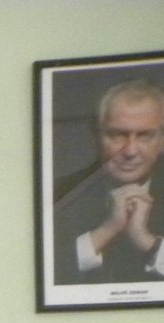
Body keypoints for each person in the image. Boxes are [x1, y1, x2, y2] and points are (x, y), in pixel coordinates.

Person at [54, 77, 164, 285]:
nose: (130, 151)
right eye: (118, 135)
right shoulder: (59, 193)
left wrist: (146, 241)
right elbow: (42, 272)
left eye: (144, 136)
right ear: (96, 136)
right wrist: (106, 231)